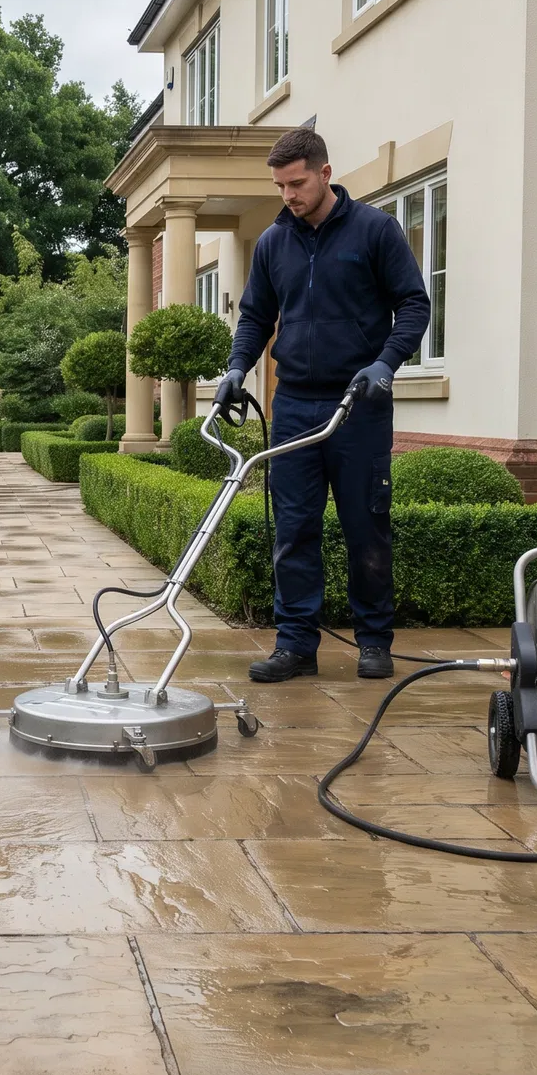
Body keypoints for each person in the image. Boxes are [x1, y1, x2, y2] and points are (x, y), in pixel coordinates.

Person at [216, 126, 431, 682]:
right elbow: (256, 317)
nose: (288, 195)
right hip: (294, 404)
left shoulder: (375, 232)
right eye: (280, 186)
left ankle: (374, 641)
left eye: (296, 183)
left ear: (325, 173)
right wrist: (237, 368)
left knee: (366, 524)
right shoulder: (272, 243)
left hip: (358, 405)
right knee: (293, 527)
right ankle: (295, 645)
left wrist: (385, 363)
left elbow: (413, 304)